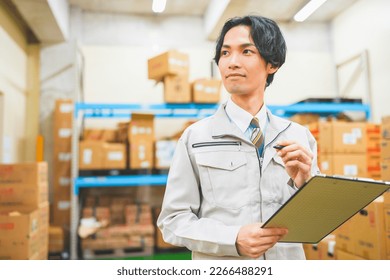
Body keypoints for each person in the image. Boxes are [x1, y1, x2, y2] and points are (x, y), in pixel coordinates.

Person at [157, 15, 320, 260]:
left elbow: (316, 219)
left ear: (272, 63)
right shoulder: (195, 138)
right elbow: (172, 221)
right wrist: (232, 239)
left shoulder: (299, 136)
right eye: (225, 53)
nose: (232, 62)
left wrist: (305, 184)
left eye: (246, 51)